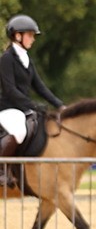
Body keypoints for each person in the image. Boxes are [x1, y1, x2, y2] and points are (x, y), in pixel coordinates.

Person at [0, 14, 64, 186]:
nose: (33, 39)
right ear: (17, 36)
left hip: (22, 108)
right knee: (19, 130)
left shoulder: (27, 59)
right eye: (30, 35)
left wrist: (60, 105)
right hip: (7, 108)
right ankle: (1, 170)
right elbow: (10, 90)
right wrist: (32, 105)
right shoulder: (6, 58)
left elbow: (40, 87)